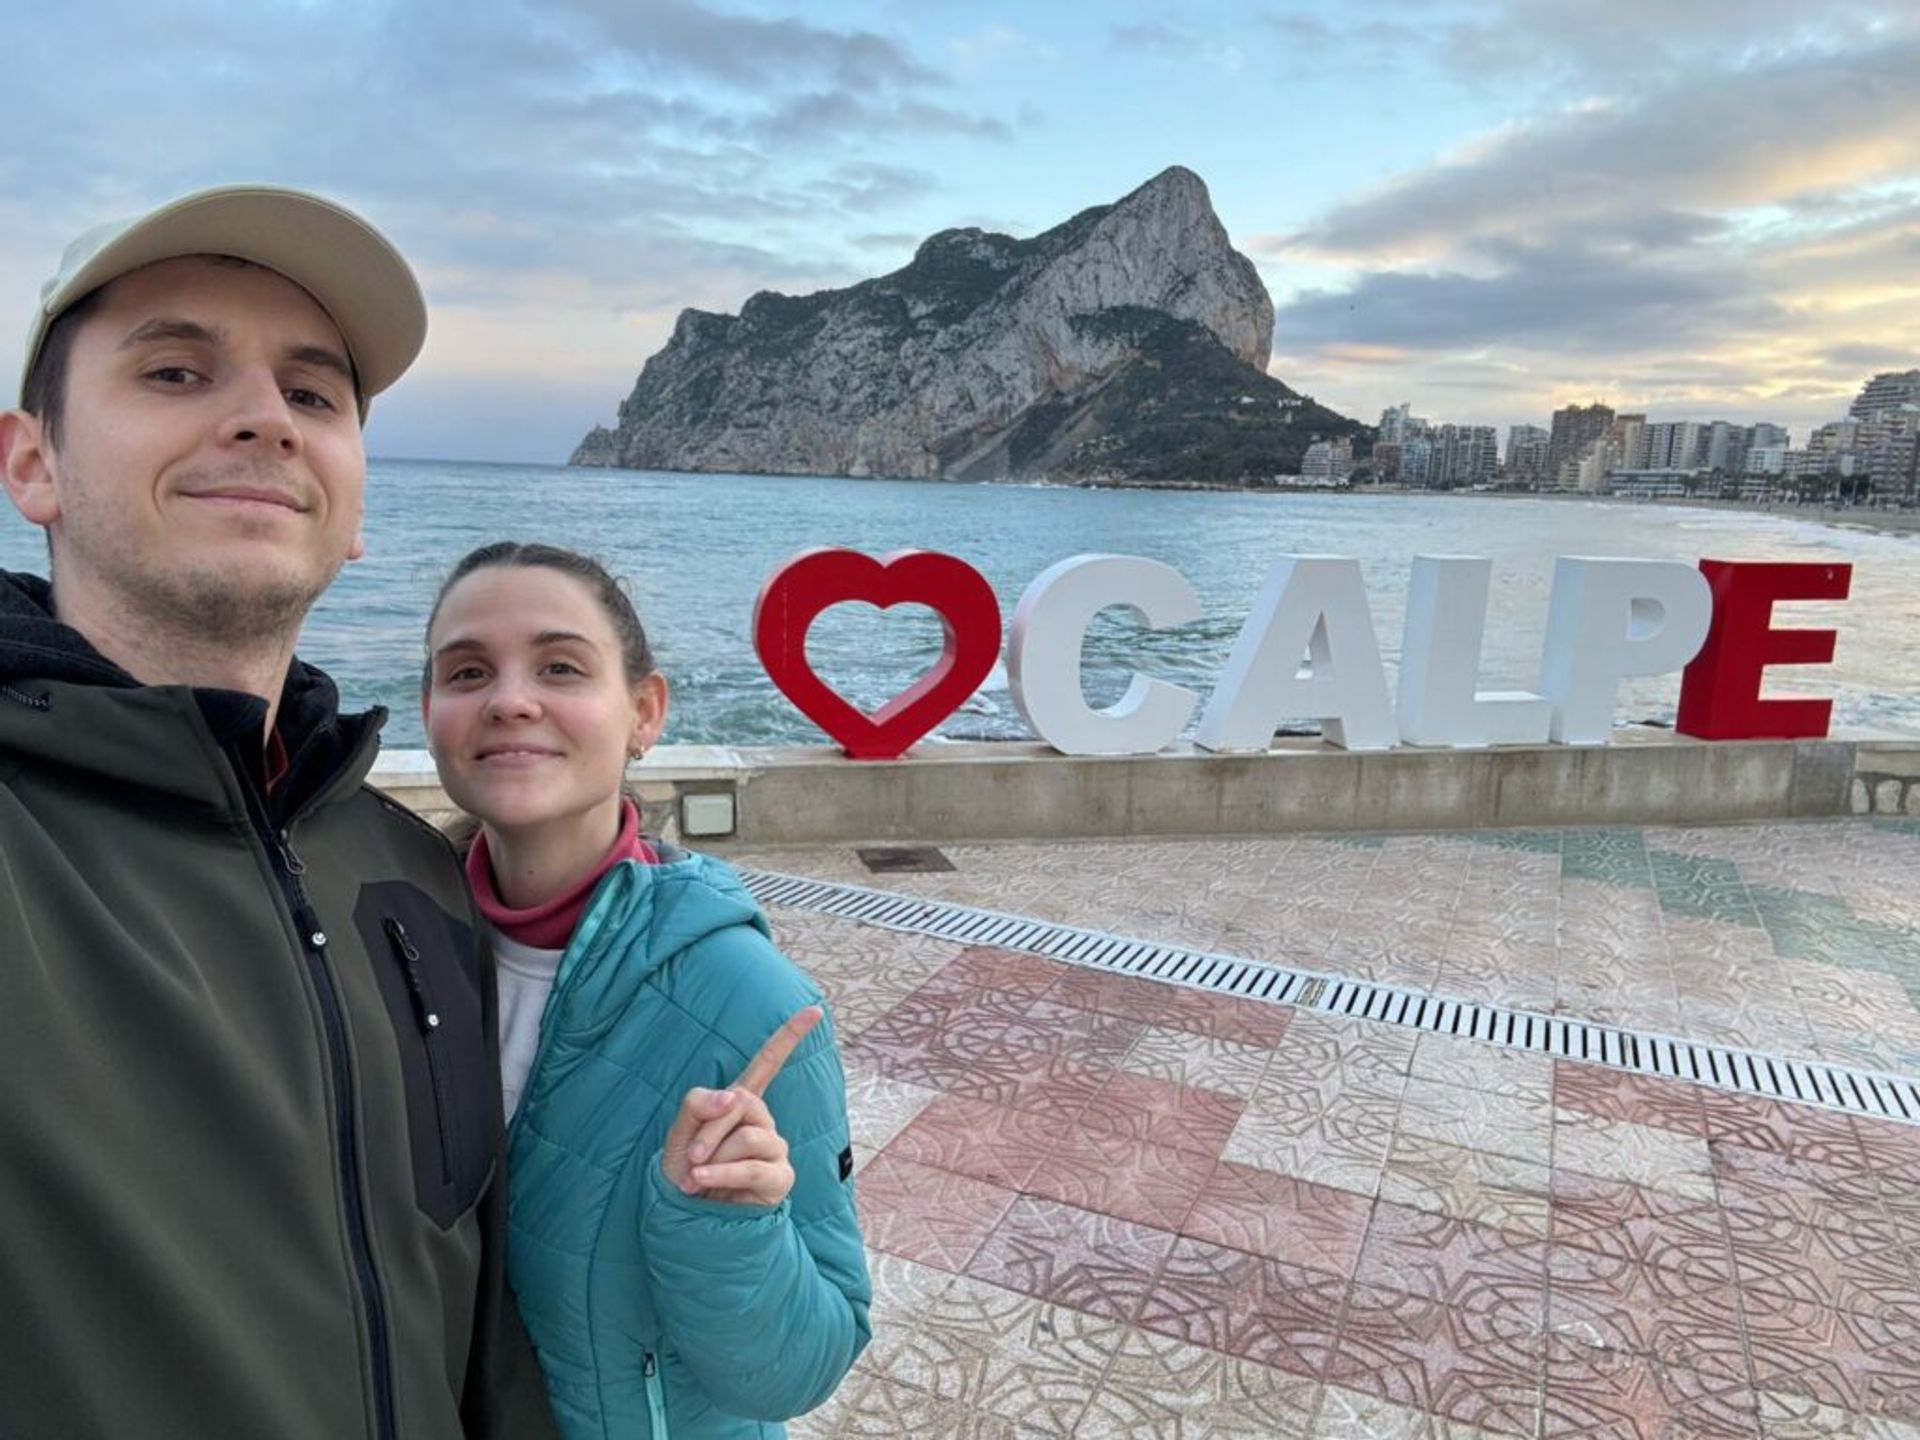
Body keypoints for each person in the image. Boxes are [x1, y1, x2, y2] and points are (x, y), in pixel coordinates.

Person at [0, 187, 557, 1439]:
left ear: (355, 508)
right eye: (178, 370)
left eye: (313, 396)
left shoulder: (413, 876)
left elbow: (479, 1334)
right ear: (33, 463)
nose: (264, 419)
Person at [420, 541, 872, 1439]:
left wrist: (728, 1227)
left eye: (560, 666)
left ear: (643, 712)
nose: (510, 698)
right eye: (469, 671)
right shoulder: (389, 947)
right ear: (431, 712)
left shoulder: (747, 1003)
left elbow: (809, 1361)